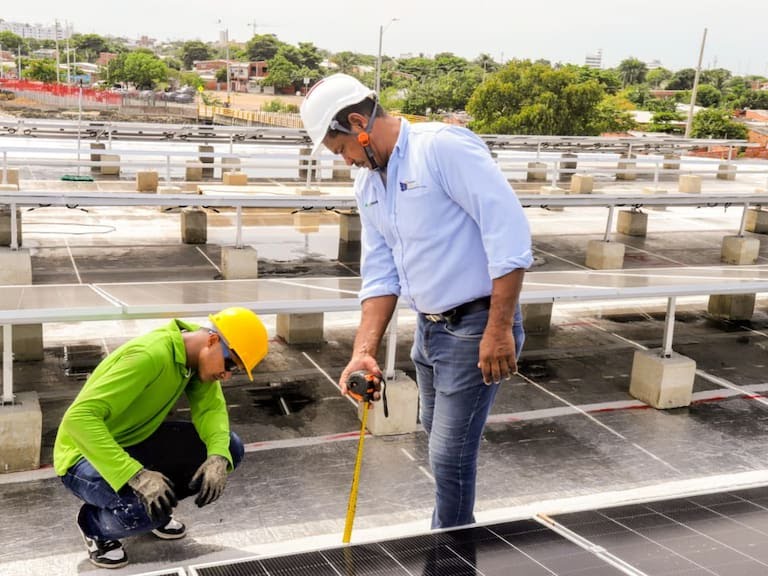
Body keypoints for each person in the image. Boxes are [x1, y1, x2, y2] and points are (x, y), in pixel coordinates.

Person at [300, 74, 533, 530]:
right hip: (429, 330)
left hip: (477, 324)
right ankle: (448, 534)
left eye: (341, 150)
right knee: (436, 436)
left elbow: (508, 235)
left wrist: (500, 328)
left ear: (357, 124)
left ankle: (449, 553)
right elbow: (380, 272)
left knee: (449, 455)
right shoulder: (369, 185)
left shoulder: (442, 149)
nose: (346, 162)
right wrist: (362, 351)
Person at [53, 307, 268, 569]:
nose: (227, 374)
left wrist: (217, 457)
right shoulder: (149, 356)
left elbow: (211, 410)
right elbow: (79, 419)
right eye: (231, 363)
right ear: (212, 340)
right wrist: (137, 476)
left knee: (229, 447)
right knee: (140, 514)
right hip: (83, 456)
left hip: (133, 441)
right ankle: (95, 525)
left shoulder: (193, 358)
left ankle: (156, 507)